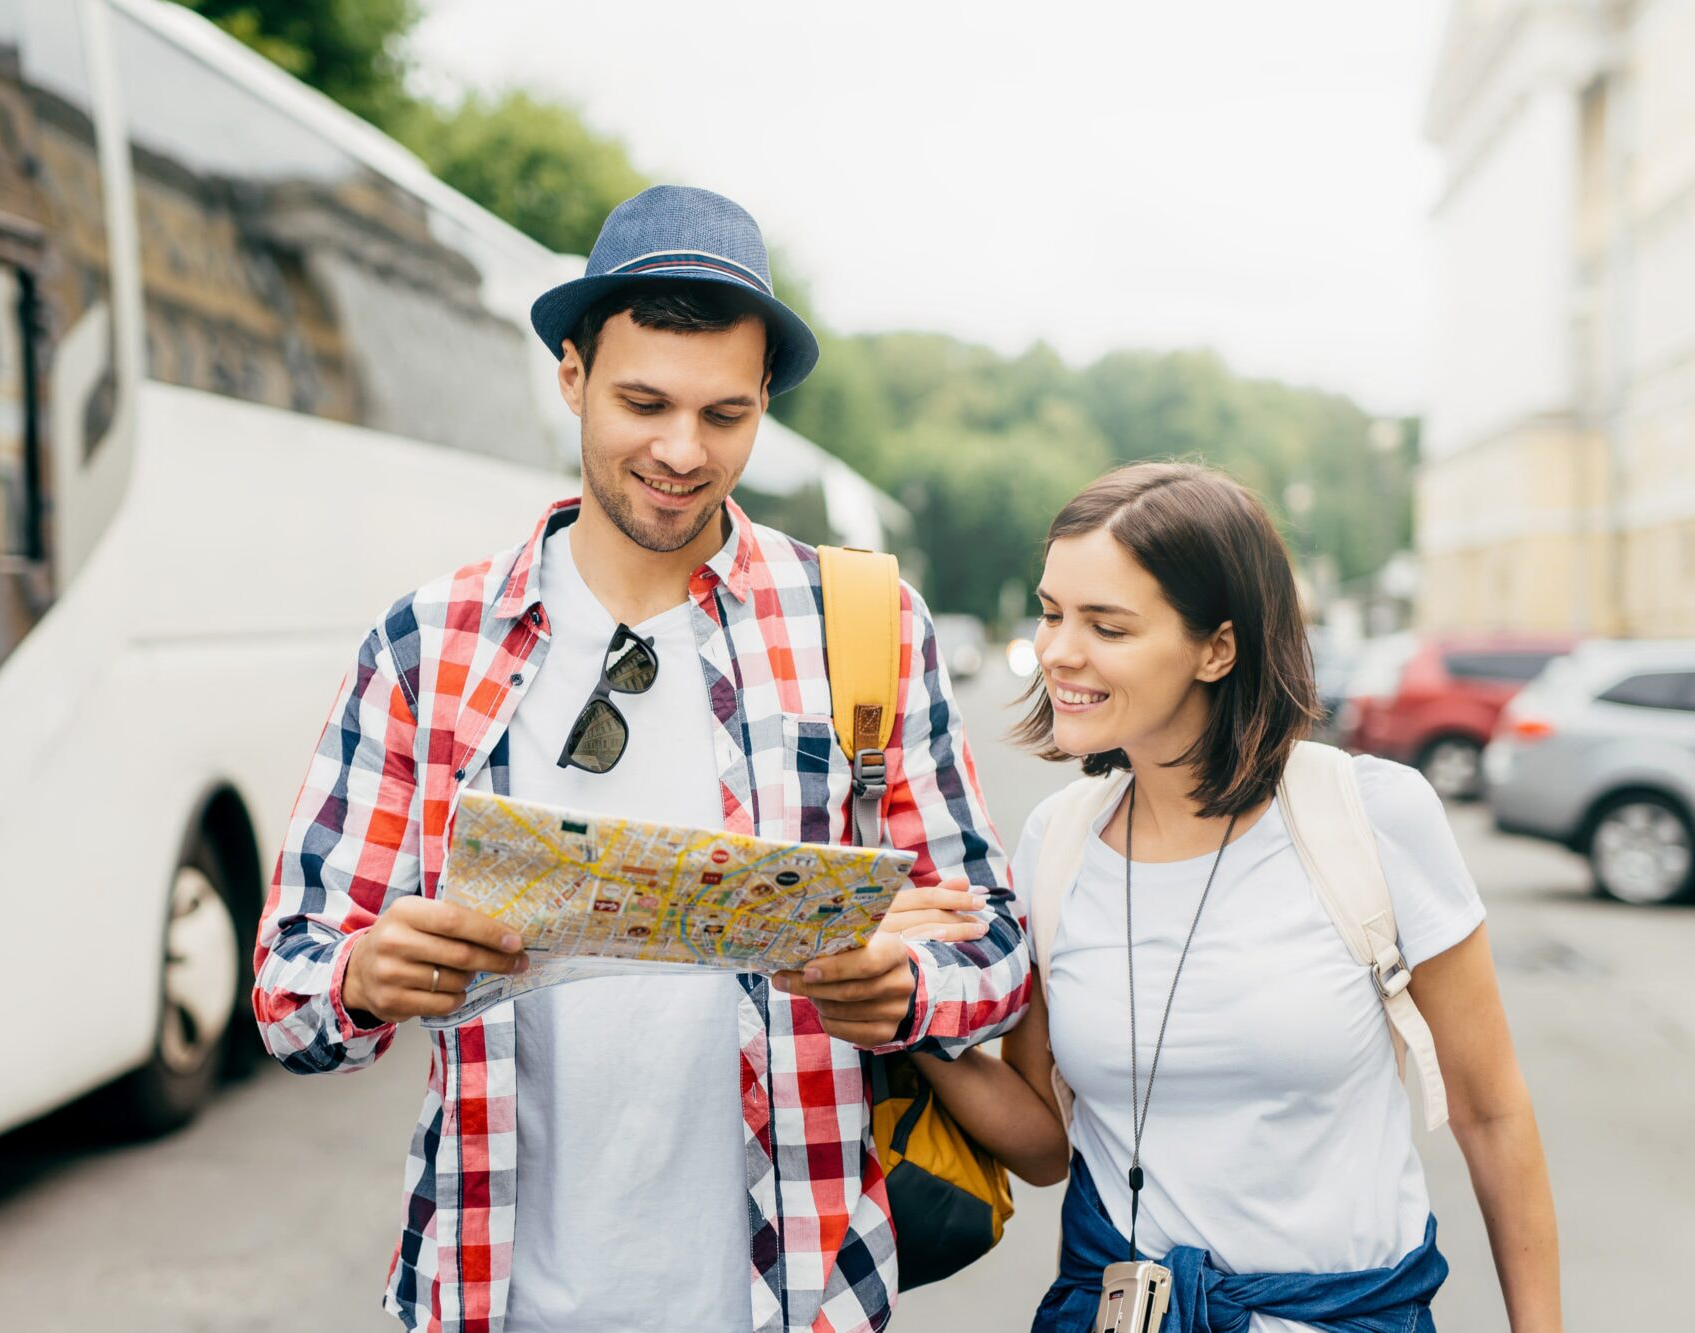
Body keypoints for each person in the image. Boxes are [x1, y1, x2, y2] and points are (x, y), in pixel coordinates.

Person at [250, 185, 1031, 1333]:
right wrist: (364, 977)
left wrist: (906, 994)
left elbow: (994, 943)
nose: (679, 451)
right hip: (492, 1294)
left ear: (764, 398)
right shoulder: (426, 645)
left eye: (723, 414)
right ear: (569, 375)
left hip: (798, 1296)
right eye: (642, 402)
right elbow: (287, 988)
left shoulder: (861, 623)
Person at [886, 462, 1561, 1331]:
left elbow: (1493, 1110)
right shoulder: (1056, 841)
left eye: (1108, 625)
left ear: (1218, 647)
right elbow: (1047, 1145)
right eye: (1053, 613)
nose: (1057, 650)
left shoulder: (1371, 816)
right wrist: (907, 1010)